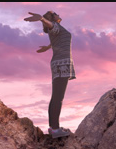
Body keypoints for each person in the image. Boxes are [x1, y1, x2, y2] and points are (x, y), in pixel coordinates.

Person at [24, 10, 75, 139]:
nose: (58, 13)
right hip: (61, 65)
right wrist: (41, 18)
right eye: (55, 13)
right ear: (52, 18)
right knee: (58, 98)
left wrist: (47, 47)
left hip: (59, 65)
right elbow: (51, 26)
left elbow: (57, 37)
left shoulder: (58, 29)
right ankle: (56, 129)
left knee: (55, 97)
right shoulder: (55, 26)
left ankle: (53, 128)